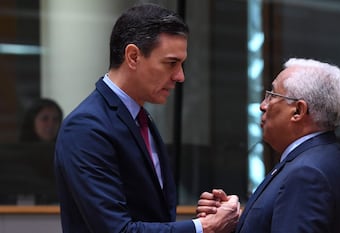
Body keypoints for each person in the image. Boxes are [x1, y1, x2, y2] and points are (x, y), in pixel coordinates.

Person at [54, 3, 240, 233]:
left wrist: (203, 219)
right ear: (133, 56)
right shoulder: (86, 127)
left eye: (181, 64)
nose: (180, 76)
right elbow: (117, 230)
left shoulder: (140, 117)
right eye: (171, 63)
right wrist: (202, 228)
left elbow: (154, 215)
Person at [197, 58, 340, 233]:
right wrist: (229, 223)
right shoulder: (325, 157)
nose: (262, 105)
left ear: (298, 111)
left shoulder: (307, 173)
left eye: (272, 95)